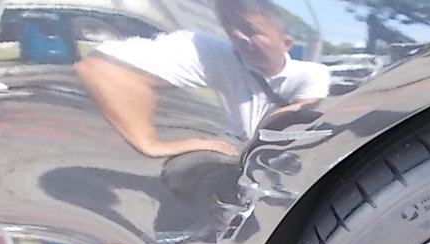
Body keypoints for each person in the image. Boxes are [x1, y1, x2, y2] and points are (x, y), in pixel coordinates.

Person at [75, 0, 330, 158]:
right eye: (230, 25)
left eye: (250, 30)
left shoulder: (311, 74)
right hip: (233, 151)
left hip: (279, 159)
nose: (238, 36)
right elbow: (101, 68)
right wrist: (149, 144)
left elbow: (300, 120)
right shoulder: (214, 53)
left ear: (286, 43)